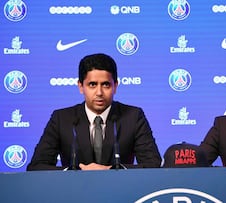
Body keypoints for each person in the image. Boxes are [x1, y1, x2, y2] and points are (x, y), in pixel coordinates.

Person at [27, 53, 161, 170]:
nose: (99, 92)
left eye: (106, 84)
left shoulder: (133, 116)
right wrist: (74, 173)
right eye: (92, 84)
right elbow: (37, 166)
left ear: (115, 86)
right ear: (81, 86)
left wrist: (112, 170)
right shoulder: (62, 119)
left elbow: (153, 164)